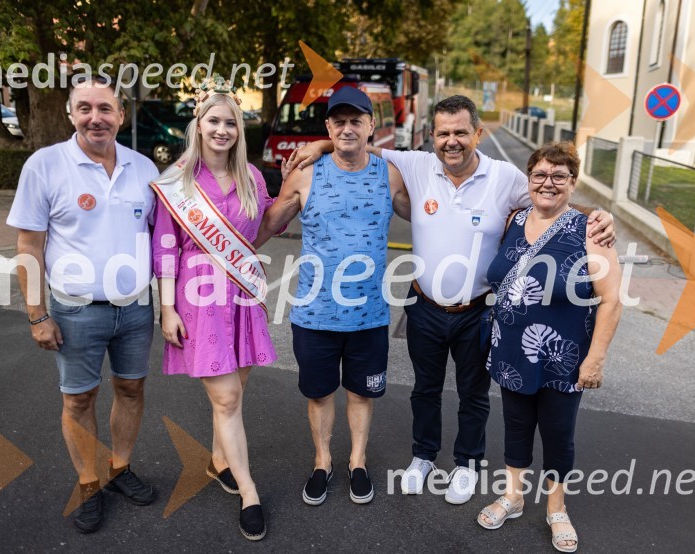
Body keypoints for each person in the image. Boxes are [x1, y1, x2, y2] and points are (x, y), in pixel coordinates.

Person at [289, 95, 614, 504]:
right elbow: (358, 142)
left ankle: (466, 464)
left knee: (473, 394)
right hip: (423, 306)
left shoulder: (505, 177)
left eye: (461, 132)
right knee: (424, 389)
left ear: (478, 133)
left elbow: (551, 199)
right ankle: (423, 456)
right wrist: (318, 145)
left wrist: (597, 215)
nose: (451, 141)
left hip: (477, 311)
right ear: (432, 136)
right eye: (443, 133)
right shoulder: (416, 164)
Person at [8, 77, 158, 534]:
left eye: (106, 109)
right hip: (76, 310)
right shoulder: (45, 165)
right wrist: (37, 314)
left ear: (120, 115)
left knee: (131, 390)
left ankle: (119, 468)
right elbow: (29, 247)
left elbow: (164, 238)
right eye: (86, 108)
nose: (97, 117)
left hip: (135, 309)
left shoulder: (145, 168)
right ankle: (89, 482)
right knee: (79, 399)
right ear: (71, 114)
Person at [254, 85, 410, 507]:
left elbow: (435, 214)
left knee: (361, 394)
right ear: (327, 125)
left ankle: (357, 461)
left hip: (370, 315)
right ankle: (322, 461)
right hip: (315, 314)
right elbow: (267, 225)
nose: (346, 128)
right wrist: (225, 257)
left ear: (370, 124)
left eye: (355, 120)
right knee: (320, 394)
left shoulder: (389, 174)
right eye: (337, 122)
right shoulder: (306, 173)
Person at [477, 142, 622, 553]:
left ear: (573, 183)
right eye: (540, 175)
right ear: (529, 180)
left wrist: (595, 360)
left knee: (558, 433)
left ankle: (556, 507)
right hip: (510, 350)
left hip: (564, 355)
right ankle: (514, 496)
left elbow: (611, 299)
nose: (548, 183)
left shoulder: (591, 229)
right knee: (516, 425)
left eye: (559, 176)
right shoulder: (515, 219)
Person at [150, 75, 274, 541]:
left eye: (231, 123)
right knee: (226, 398)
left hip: (242, 295)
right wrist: (167, 309)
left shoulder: (252, 177)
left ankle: (218, 461)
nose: (222, 130)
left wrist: (305, 174)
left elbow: (263, 225)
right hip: (197, 300)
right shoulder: (177, 181)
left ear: (239, 131)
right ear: (198, 125)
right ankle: (249, 492)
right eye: (213, 121)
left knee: (234, 391)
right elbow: (165, 246)